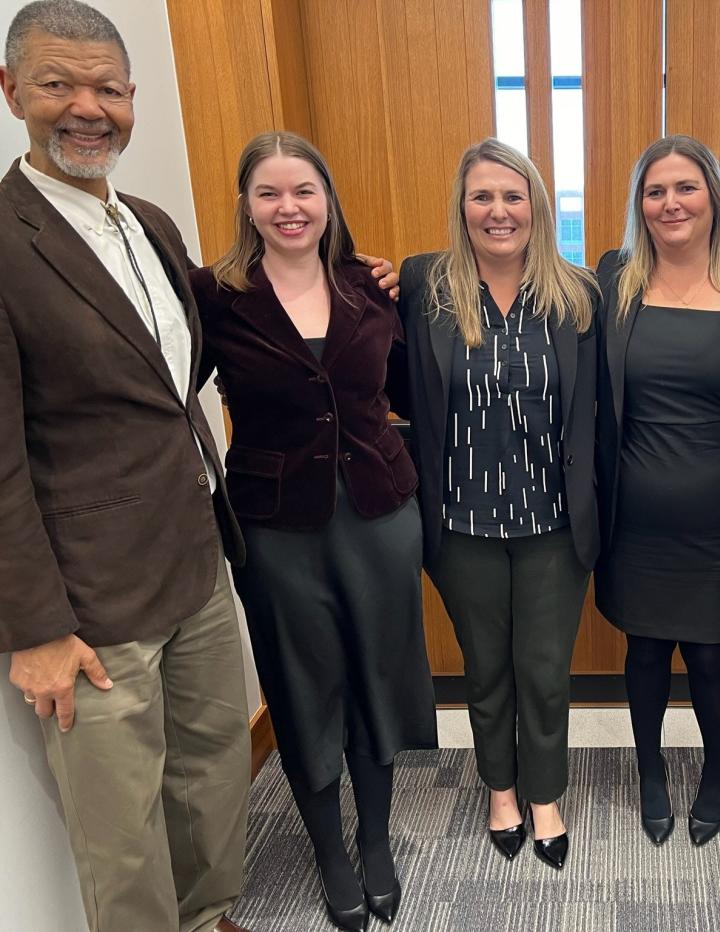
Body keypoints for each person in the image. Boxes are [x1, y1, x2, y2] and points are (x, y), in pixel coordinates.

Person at [0, 3, 251, 930]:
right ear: (13, 91)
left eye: (108, 88)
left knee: (215, 765)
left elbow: (184, 363)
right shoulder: (5, 241)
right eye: (60, 84)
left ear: (134, 99)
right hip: (89, 604)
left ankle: (209, 914)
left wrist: (347, 278)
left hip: (193, 559)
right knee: (120, 827)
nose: (87, 108)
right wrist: (35, 629)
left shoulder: (147, 222)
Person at [189, 131, 435, 931]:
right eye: (269, 193)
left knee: (377, 677)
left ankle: (375, 843)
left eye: (304, 191)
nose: (288, 207)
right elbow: (164, 390)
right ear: (246, 207)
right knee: (303, 689)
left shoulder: (372, 286)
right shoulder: (214, 296)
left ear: (328, 200)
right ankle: (329, 848)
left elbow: (408, 391)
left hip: (378, 515)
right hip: (277, 529)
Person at [395, 138, 599, 871]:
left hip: (553, 523)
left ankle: (545, 794)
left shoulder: (577, 295)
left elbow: (596, 413)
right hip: (461, 524)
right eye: (483, 196)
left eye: (513, 196)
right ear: (462, 206)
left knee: (543, 669)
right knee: (485, 668)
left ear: (536, 207)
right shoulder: (424, 288)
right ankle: (500, 789)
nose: (498, 210)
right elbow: (391, 384)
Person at [595, 134, 720, 848]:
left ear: (714, 198)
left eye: (686, 188)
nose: (671, 203)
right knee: (644, 652)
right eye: (655, 190)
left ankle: (716, 775)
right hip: (634, 520)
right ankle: (649, 773)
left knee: (709, 655)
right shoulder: (615, 279)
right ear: (640, 205)